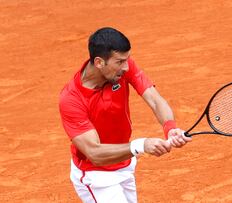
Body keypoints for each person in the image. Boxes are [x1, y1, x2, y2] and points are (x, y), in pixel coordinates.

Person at [59, 27, 191, 203]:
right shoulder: (71, 99)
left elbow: (153, 98)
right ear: (99, 62)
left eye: (127, 60)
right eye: (120, 62)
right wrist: (140, 145)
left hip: (125, 164)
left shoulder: (119, 68)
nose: (126, 66)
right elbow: (94, 152)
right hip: (97, 175)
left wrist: (170, 127)